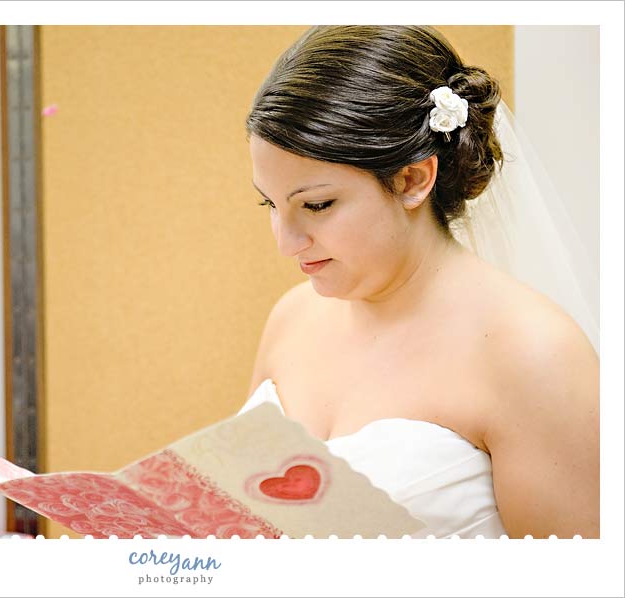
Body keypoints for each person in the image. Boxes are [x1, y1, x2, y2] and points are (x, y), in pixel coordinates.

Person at [240, 25, 599, 539]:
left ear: (412, 180)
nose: (286, 242)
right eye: (270, 204)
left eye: (316, 205)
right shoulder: (292, 315)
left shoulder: (533, 353)